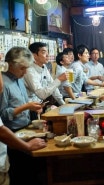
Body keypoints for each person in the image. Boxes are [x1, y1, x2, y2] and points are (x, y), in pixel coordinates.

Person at [0, 48, 47, 185]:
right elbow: (3, 115)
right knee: (20, 174)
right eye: (22, 68)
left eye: (26, 68)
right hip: (12, 134)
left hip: (26, 128)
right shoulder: (3, 84)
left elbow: (23, 103)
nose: (25, 72)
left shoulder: (20, 79)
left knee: (33, 169)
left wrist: (34, 108)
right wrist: (27, 107)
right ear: (10, 65)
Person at [24, 42, 67, 113]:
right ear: (34, 56)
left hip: (40, 105)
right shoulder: (29, 70)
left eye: (48, 52)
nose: (47, 55)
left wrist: (63, 104)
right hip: (30, 109)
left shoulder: (44, 67)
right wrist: (59, 79)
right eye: (44, 52)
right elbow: (41, 94)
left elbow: (53, 87)